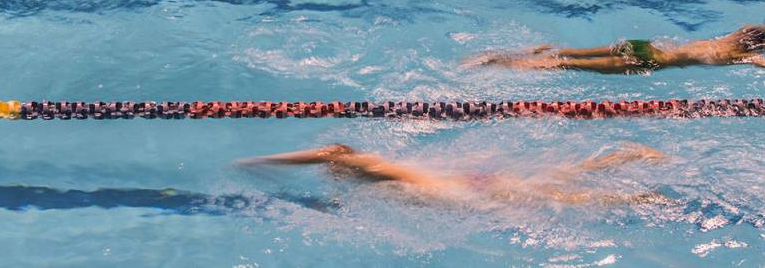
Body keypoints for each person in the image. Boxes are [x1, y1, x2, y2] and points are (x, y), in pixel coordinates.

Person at [240, 143, 667, 207]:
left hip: (456, 193)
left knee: (553, 197)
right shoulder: (370, 169)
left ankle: (633, 197)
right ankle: (621, 160)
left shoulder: (358, 165)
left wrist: (260, 163)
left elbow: (326, 153)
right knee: (554, 181)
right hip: (466, 181)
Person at [468, 6, 765, 77]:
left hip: (644, 44)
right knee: (569, 64)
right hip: (646, 62)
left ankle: (506, 54)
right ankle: (500, 63)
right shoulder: (736, 57)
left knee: (569, 52)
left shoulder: (732, 36)